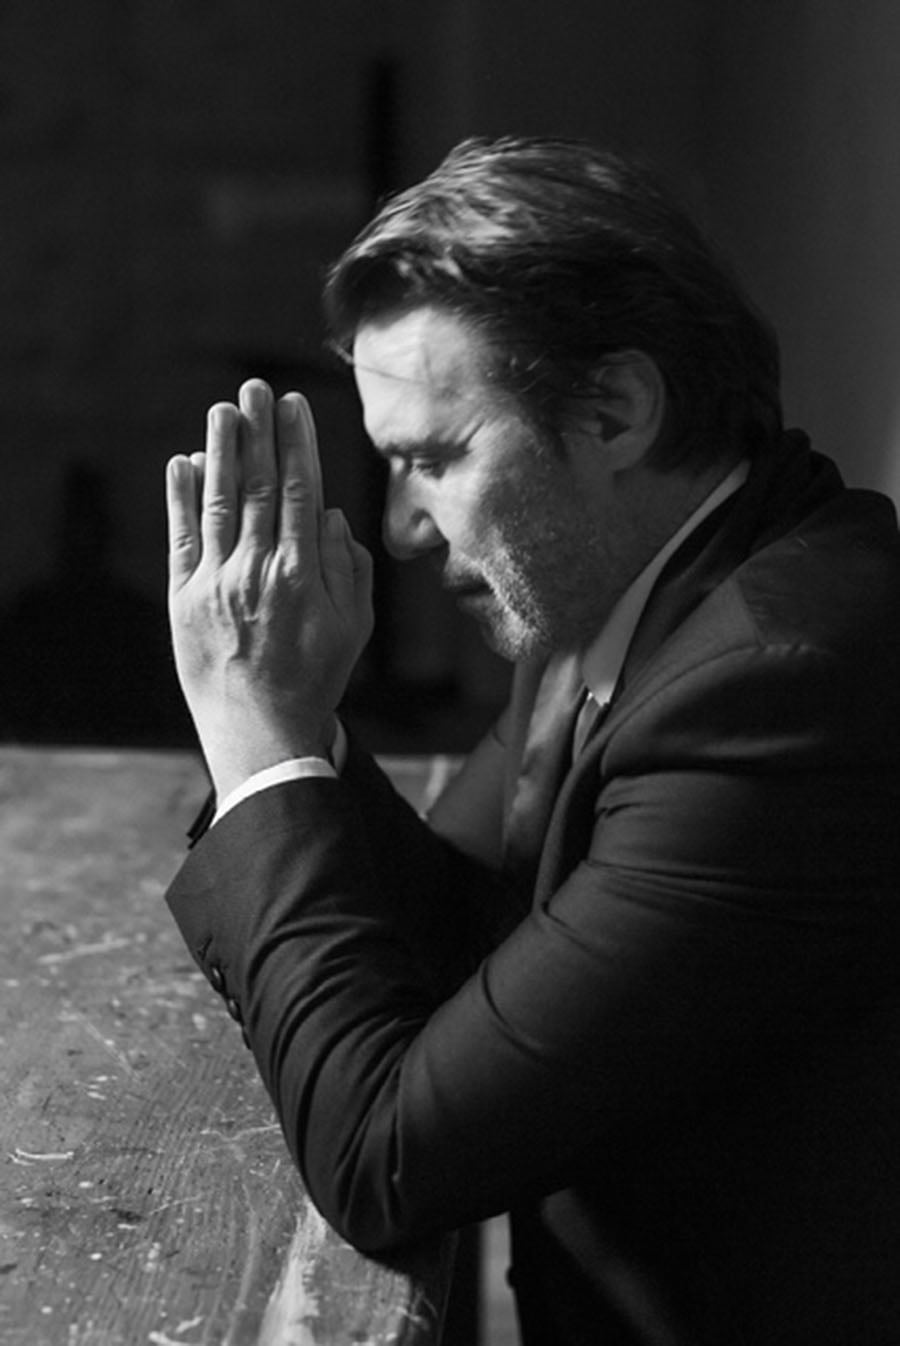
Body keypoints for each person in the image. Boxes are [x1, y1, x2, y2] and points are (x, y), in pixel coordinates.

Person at [163, 138, 900, 1345]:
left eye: (437, 459)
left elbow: (386, 1154)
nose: (404, 528)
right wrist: (301, 726)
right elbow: (465, 939)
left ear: (614, 411)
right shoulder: (616, 586)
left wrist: (255, 734)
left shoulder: (781, 687)